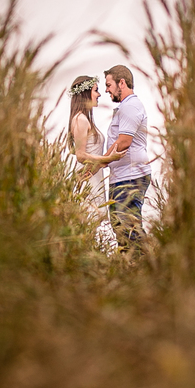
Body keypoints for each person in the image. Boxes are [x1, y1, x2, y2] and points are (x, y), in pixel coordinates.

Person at [103, 64, 151, 253]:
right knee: (120, 228)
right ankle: (131, 268)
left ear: (121, 83)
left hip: (130, 177)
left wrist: (98, 163)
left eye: (109, 85)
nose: (107, 90)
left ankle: (146, 267)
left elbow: (123, 142)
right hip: (122, 176)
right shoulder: (125, 106)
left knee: (130, 229)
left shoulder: (131, 106)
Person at [67, 75, 122, 216]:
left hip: (94, 176)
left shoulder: (85, 119)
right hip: (86, 178)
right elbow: (80, 155)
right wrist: (108, 159)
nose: (99, 94)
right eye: (96, 90)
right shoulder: (80, 119)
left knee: (96, 218)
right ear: (86, 93)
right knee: (90, 218)